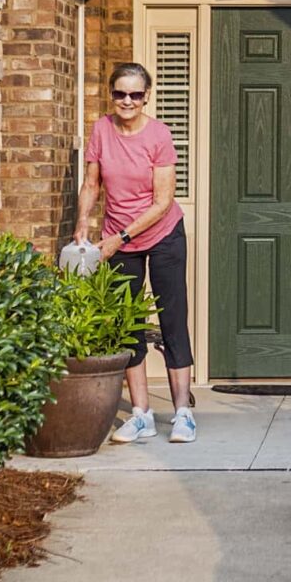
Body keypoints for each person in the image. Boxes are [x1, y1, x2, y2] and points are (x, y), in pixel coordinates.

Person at [77, 61, 194, 443]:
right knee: (128, 324)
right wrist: (82, 223)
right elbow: (92, 184)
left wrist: (119, 238)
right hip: (117, 237)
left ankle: (182, 413)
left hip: (160, 235)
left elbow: (162, 202)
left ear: (147, 97)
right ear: (111, 94)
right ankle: (141, 414)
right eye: (120, 93)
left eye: (135, 94)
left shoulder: (158, 135)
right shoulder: (101, 129)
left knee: (172, 319)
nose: (127, 100)